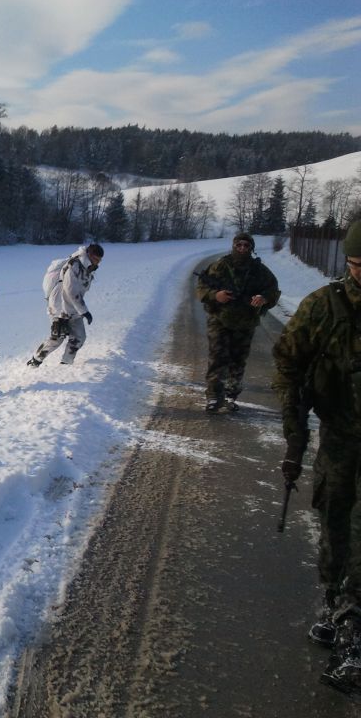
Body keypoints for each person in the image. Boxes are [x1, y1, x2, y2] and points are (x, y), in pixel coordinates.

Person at [272, 220, 361, 698]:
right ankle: (332, 600)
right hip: (341, 437)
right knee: (335, 521)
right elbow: (288, 363)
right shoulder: (324, 307)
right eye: (357, 265)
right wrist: (294, 436)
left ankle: (354, 625)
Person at [196, 232, 279, 412]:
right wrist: (215, 295)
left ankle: (230, 395)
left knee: (238, 360)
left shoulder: (260, 271)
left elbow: (273, 290)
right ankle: (213, 396)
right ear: (233, 246)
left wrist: (263, 298)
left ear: (251, 249)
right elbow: (202, 287)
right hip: (219, 319)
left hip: (245, 322)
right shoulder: (220, 266)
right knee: (217, 358)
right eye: (238, 245)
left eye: (246, 246)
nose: (242, 248)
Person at [27, 243, 104, 367]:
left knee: (79, 337)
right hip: (59, 306)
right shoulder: (75, 265)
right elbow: (71, 290)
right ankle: (35, 361)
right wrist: (84, 311)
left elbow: (78, 291)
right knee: (57, 338)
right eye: (96, 259)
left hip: (73, 308)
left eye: (100, 260)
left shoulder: (87, 268)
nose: (98, 263)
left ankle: (66, 364)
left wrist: (80, 310)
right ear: (89, 254)